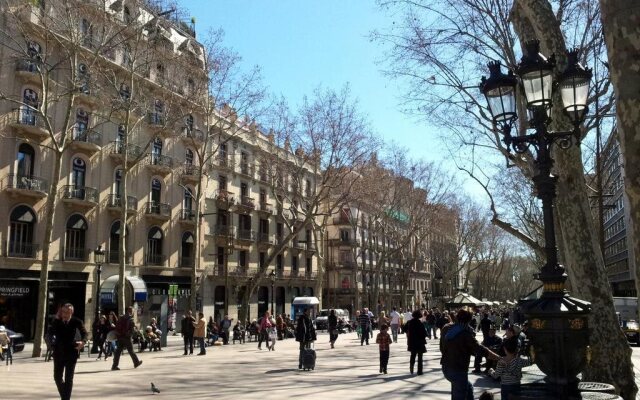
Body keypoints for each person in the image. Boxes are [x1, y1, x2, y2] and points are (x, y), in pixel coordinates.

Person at [440, 309, 499, 400]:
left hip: (446, 366)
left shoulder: (446, 328)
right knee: (459, 394)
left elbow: (442, 347)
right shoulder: (466, 333)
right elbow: (480, 349)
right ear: (469, 320)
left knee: (468, 387)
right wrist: (497, 357)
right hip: (458, 369)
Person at [48, 303, 87, 400]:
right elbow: (50, 333)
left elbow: (85, 333)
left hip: (71, 353)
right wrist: (56, 319)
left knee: (69, 379)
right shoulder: (57, 321)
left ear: (71, 312)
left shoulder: (77, 321)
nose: (65, 314)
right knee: (57, 378)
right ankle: (65, 398)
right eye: (63, 312)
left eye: (67, 312)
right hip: (58, 353)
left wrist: (83, 342)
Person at [111, 306, 142, 371]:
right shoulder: (131, 319)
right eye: (133, 311)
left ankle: (114, 366)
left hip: (120, 337)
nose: (133, 312)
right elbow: (132, 330)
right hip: (127, 338)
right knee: (131, 351)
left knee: (118, 352)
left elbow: (117, 326)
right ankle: (136, 363)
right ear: (131, 311)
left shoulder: (121, 317)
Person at [406, 310, 427, 375]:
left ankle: (411, 366)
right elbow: (424, 333)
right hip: (419, 342)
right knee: (420, 357)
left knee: (413, 355)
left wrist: (408, 333)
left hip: (412, 341)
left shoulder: (409, 322)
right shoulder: (420, 323)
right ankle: (419, 371)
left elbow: (404, 329)